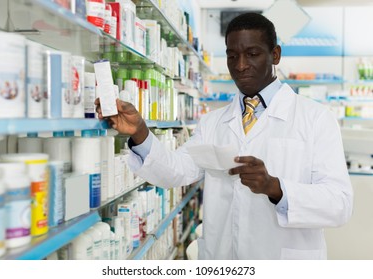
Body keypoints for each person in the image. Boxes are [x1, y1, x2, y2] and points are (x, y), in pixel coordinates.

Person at [95, 12, 353, 260]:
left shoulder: (316, 118)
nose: (241, 66)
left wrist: (276, 187)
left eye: (252, 54)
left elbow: (339, 204)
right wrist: (140, 132)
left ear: (275, 55)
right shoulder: (214, 122)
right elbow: (176, 171)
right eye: (232, 56)